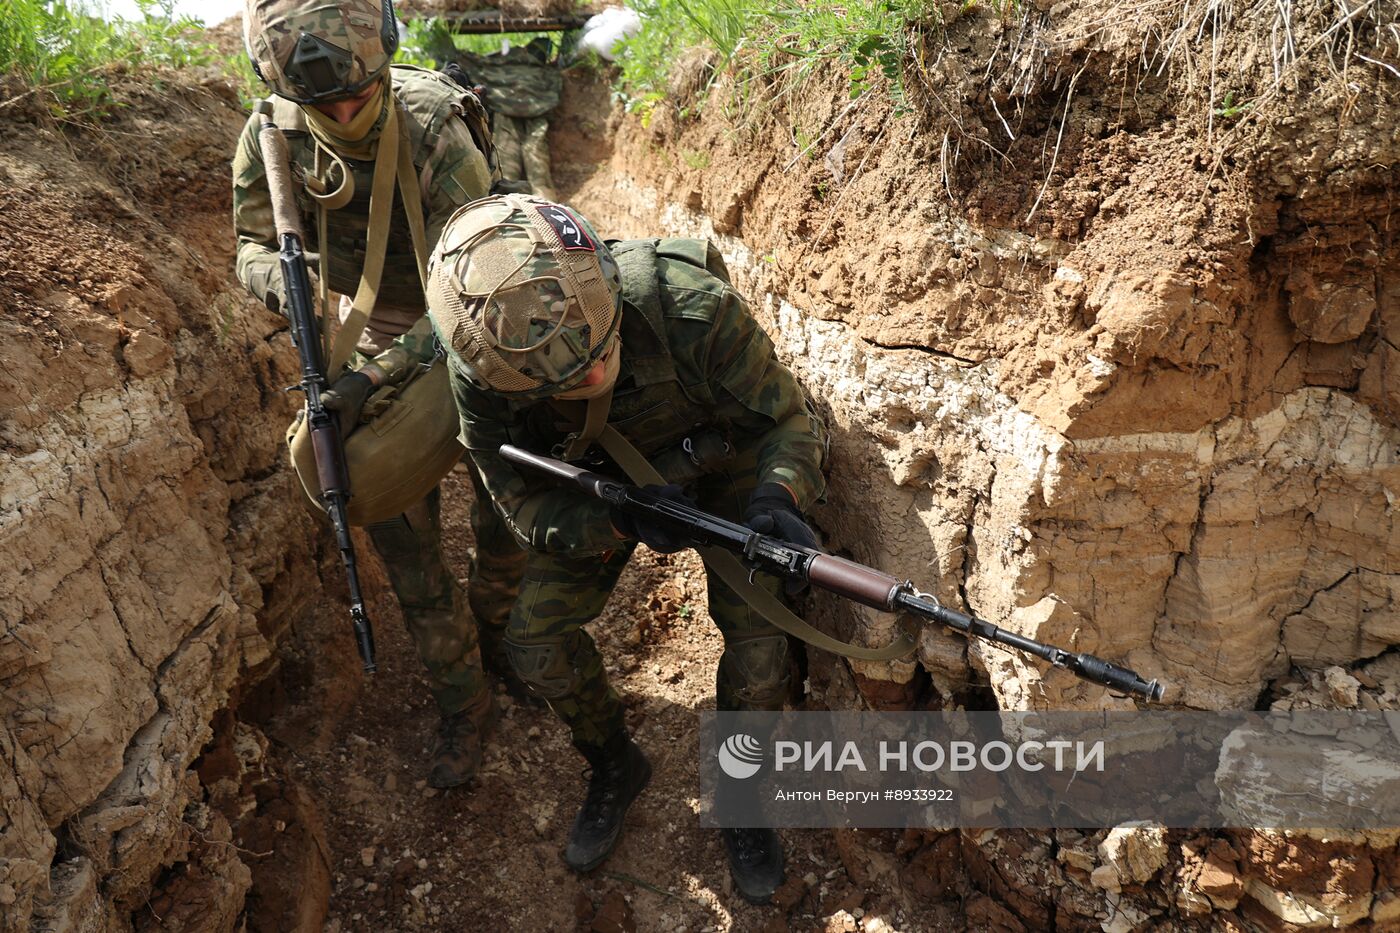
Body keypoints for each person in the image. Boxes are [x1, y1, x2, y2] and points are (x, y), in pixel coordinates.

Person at [416, 194, 828, 903]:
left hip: (726, 469)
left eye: (600, 348)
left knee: (762, 656)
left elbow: (786, 420)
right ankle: (612, 762)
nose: (588, 375)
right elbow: (520, 503)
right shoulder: (480, 377)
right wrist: (618, 524)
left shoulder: (688, 306)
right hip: (604, 496)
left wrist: (777, 497)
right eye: (560, 381)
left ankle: (740, 792)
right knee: (536, 643)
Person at [233, 0, 524, 788]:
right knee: (409, 559)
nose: (342, 112)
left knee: (510, 521)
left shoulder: (434, 127)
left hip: (468, 337)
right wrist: (286, 284)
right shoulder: (273, 135)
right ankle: (466, 700)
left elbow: (475, 290)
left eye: (357, 97)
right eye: (323, 104)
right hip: (359, 351)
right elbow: (250, 242)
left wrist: (373, 377)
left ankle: (501, 638)